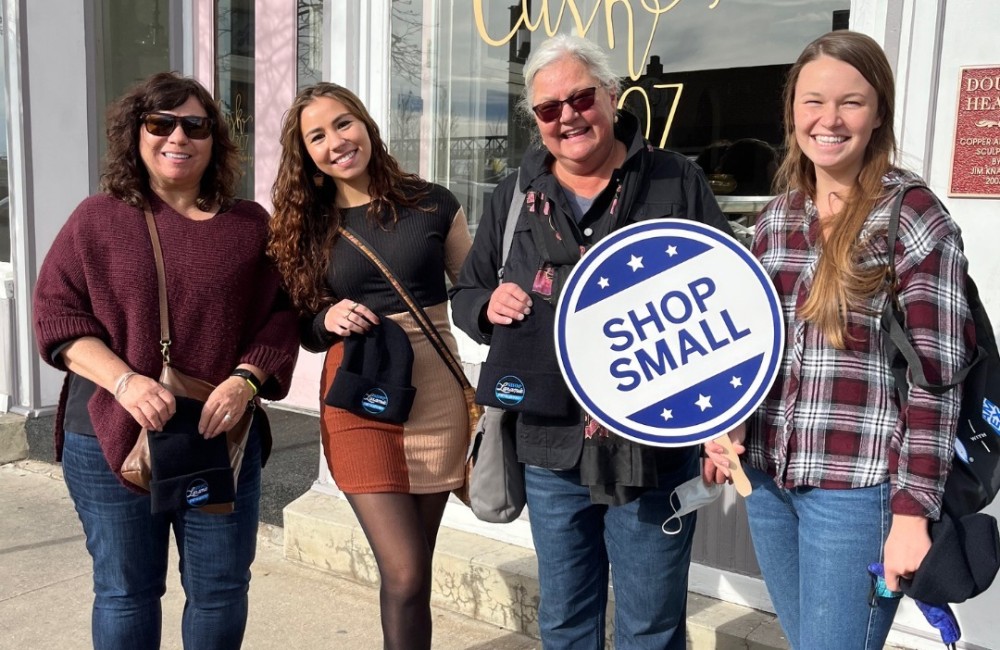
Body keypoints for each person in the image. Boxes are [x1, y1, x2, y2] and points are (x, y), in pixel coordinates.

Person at [450, 35, 732, 649]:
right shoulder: (514, 196)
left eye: (580, 97)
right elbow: (467, 293)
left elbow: (727, 293)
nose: (568, 116)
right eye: (548, 110)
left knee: (651, 627)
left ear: (610, 95)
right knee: (565, 620)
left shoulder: (673, 180)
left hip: (650, 450)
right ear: (537, 122)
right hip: (550, 446)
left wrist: (724, 421)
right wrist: (487, 307)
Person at [703, 30, 976, 650]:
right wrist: (728, 423)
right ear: (791, 110)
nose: (829, 120)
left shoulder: (912, 216)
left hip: (858, 495)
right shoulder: (775, 220)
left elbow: (937, 379)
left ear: (879, 111)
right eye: (812, 101)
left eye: (851, 102)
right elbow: (751, 350)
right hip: (770, 482)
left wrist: (911, 516)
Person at [32, 72, 300, 649]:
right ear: (137, 134)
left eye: (195, 125)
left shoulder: (248, 225)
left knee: (221, 588)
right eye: (160, 123)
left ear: (214, 139)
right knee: (126, 591)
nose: (177, 137)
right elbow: (57, 318)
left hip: (217, 429)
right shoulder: (96, 219)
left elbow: (280, 317)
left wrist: (245, 381)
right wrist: (125, 381)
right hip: (108, 429)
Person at [268, 83, 473, 650]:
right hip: (360, 398)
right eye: (318, 136)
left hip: (436, 398)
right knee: (405, 571)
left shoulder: (433, 203)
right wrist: (327, 318)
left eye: (343, 123)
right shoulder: (306, 224)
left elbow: (478, 297)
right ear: (306, 154)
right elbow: (302, 325)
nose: (336, 141)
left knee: (412, 577)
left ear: (365, 124)